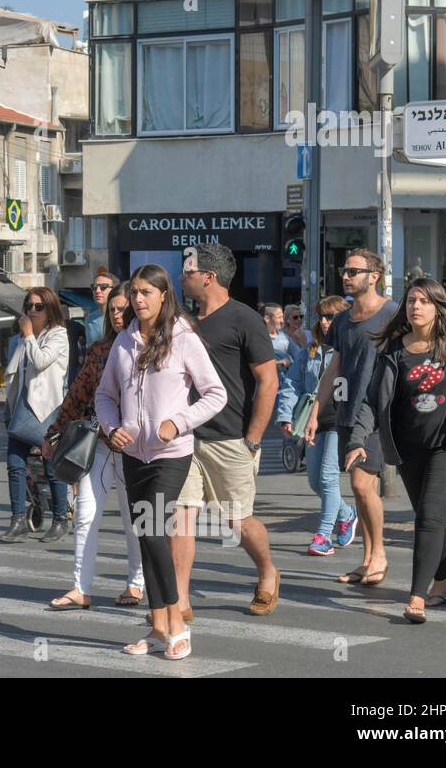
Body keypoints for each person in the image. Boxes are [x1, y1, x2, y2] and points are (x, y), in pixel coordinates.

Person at [344, 279, 446, 623]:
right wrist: (357, 440)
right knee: (432, 519)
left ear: (438, 307)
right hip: (410, 450)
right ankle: (443, 581)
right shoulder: (392, 350)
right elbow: (373, 402)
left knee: (428, 515)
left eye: (424, 301)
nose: (416, 307)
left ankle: (417, 594)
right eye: (412, 301)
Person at [95, 265, 226, 661]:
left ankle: (178, 624)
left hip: (171, 454)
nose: (138, 300)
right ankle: (156, 628)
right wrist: (112, 427)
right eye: (134, 293)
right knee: (146, 538)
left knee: (153, 534)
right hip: (133, 454)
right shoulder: (124, 340)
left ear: (164, 296)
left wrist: (177, 422)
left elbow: (215, 394)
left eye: (146, 293)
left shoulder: (184, 339)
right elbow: (104, 394)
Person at [174, 243, 282, 619]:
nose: (182, 276)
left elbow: (268, 380)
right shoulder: (183, 321)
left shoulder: (244, 319)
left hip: (230, 437)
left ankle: (268, 572)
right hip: (185, 436)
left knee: (237, 520)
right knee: (181, 516)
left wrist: (253, 438)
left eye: (188, 271)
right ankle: (180, 600)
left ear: (209, 276)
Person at [43, 282, 145, 609]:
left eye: (122, 308)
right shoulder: (100, 350)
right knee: (86, 514)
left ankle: (136, 583)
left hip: (135, 447)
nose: (116, 314)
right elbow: (78, 393)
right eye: (112, 309)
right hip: (99, 444)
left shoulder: (148, 346)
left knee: (134, 520)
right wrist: (55, 431)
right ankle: (80, 588)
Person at [305, 249, 400, 586]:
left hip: (375, 414)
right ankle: (367, 559)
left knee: (362, 484)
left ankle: (380, 556)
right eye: (345, 271)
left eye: (354, 271)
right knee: (359, 491)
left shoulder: (392, 314)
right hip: (346, 411)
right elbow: (336, 365)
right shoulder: (344, 320)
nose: (346, 276)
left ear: (374, 276)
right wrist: (317, 410)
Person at [277, 296, 357, 556]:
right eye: (321, 316)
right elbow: (292, 384)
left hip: (339, 420)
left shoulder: (351, 348)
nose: (324, 322)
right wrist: (285, 415)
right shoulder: (310, 350)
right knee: (314, 481)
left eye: (330, 317)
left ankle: (323, 536)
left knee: (328, 477)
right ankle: (347, 514)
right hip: (314, 419)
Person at [0, 286, 70, 543]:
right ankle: (18, 520)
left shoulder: (59, 335)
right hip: (22, 409)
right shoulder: (20, 339)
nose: (31, 310)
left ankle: (61, 519)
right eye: (28, 305)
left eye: (38, 306)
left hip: (48, 410)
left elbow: (40, 361)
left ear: (49, 310)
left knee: (52, 467)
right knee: (14, 465)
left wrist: (28, 336)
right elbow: (14, 374)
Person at [263, 303, 303, 384]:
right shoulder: (259, 338)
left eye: (282, 317)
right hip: (269, 385)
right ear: (267, 319)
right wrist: (279, 364)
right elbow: (257, 364)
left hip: (287, 384)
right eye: (279, 317)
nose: (282, 321)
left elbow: (300, 356)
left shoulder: (283, 336)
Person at [83, 268, 118, 346]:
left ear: (115, 290)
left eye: (103, 287)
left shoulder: (122, 317)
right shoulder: (89, 319)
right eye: (94, 287)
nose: (98, 291)